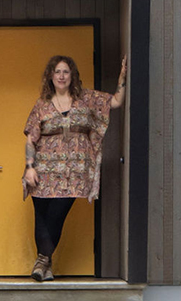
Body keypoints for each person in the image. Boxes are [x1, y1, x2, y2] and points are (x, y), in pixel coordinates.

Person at [22, 52, 128, 280]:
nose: (61, 76)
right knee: (41, 216)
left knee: (56, 216)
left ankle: (43, 261)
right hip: (43, 171)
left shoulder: (87, 99)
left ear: (72, 75)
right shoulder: (42, 105)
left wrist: (123, 77)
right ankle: (43, 265)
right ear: (50, 76)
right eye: (57, 71)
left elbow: (117, 102)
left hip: (73, 174)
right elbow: (31, 138)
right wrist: (30, 167)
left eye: (65, 71)